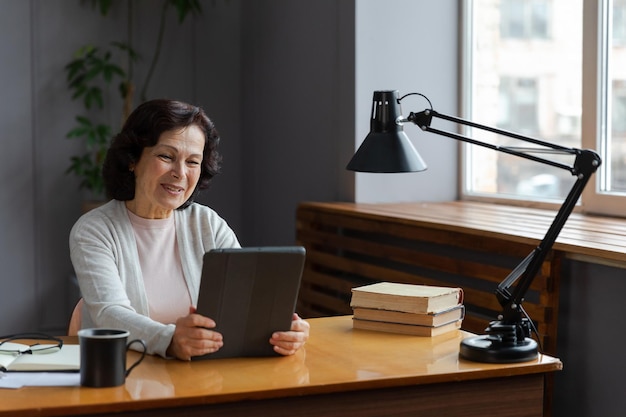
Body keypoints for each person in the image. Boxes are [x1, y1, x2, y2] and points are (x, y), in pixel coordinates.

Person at [69, 99, 309, 360]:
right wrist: (170, 340)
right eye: (166, 156)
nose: (180, 173)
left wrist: (284, 329)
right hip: (120, 375)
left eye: (193, 162)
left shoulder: (208, 224)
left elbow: (245, 303)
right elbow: (109, 314)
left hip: (197, 376)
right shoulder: (94, 230)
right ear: (132, 160)